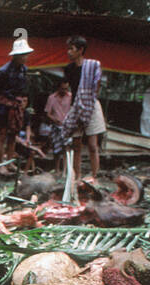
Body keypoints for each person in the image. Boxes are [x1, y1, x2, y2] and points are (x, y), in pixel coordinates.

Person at [57, 36, 105, 184]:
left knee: (92, 144)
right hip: (76, 106)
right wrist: (78, 105)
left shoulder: (92, 65)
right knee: (76, 144)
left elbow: (97, 85)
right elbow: (72, 88)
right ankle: (77, 177)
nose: (69, 52)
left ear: (80, 50)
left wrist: (87, 101)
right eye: (68, 49)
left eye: (71, 49)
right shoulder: (69, 69)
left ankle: (94, 177)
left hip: (91, 105)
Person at [0, 34, 32, 176]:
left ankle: (9, 162)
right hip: (4, 106)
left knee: (13, 134)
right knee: (2, 134)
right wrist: (7, 101)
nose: (25, 58)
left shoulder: (24, 70)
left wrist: (22, 101)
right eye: (23, 55)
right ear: (16, 55)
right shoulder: (3, 71)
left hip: (17, 106)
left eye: (26, 55)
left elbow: (24, 89)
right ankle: (0, 163)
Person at [43, 76, 72, 173]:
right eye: (62, 88)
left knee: (66, 147)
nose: (64, 91)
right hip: (56, 126)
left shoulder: (70, 97)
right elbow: (47, 113)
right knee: (56, 148)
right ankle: (57, 168)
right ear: (58, 88)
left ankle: (65, 170)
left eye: (66, 89)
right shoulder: (51, 98)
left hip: (67, 126)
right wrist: (55, 120)